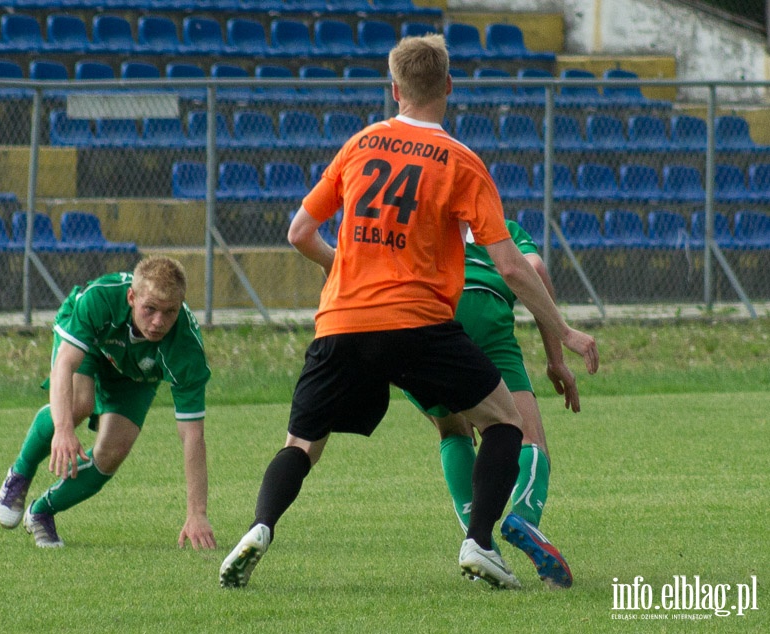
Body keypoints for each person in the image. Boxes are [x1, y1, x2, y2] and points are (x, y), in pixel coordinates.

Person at [219, 34, 598, 590]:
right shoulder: (462, 161)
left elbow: (299, 232)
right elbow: (515, 267)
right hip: (419, 323)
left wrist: (341, 268)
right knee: (505, 422)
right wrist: (561, 330)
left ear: (394, 89)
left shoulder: (360, 143)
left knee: (301, 445)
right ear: (447, 86)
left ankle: (260, 527)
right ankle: (480, 542)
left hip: (341, 322)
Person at [0, 255, 216, 550]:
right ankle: (20, 474)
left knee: (113, 451)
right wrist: (63, 430)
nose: (158, 321)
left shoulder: (185, 347)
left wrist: (197, 513)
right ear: (131, 297)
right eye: (149, 309)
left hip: (136, 375)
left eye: (169, 311)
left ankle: (42, 511)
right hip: (92, 348)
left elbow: (192, 434)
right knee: (78, 405)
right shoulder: (100, 298)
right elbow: (64, 365)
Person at [406, 218, 580, 588]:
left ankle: (479, 542)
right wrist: (556, 360)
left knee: (453, 430)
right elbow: (534, 269)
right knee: (529, 439)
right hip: (490, 315)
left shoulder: (419, 223)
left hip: (433, 315)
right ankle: (524, 518)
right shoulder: (505, 229)